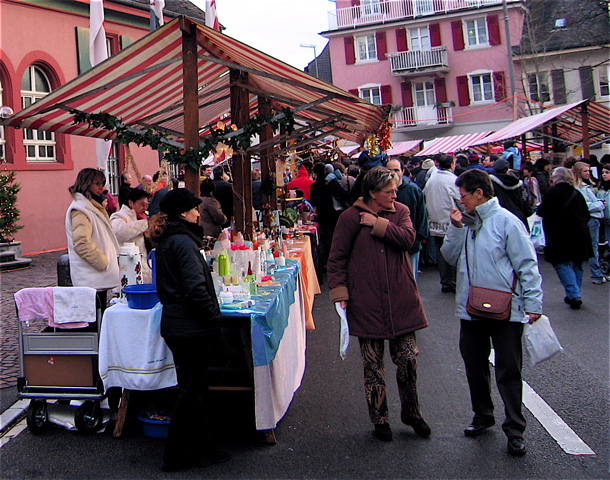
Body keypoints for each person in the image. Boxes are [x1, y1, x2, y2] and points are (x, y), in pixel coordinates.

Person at [440, 169, 542, 457]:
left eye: (463, 196)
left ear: (479, 194)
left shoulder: (507, 222)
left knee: (509, 369)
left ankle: (515, 428)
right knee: (474, 363)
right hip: (471, 307)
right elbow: (448, 256)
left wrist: (533, 303)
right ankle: (482, 415)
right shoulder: (467, 224)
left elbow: (526, 264)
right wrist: (456, 229)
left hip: (506, 307)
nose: (461, 202)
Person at [327, 167, 430, 442]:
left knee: (408, 361)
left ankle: (413, 413)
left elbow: (409, 239)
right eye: (389, 191)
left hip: (401, 299)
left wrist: (379, 225)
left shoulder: (402, 212)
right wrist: (340, 293)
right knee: (373, 366)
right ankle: (379, 418)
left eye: (395, 190)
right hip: (367, 300)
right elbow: (337, 257)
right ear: (372, 193)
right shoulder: (349, 218)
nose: (395, 195)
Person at [147, 188, 230, 472]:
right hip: (189, 325)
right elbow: (195, 287)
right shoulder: (182, 242)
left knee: (195, 389)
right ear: (183, 213)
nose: (199, 213)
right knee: (191, 390)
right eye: (195, 209)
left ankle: (203, 446)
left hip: (180, 323)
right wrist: (213, 317)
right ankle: (176, 454)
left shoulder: (173, 240)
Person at [537, 167, 593, 309]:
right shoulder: (577, 193)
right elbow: (586, 214)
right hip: (580, 233)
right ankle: (575, 292)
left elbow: (542, 211)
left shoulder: (551, 193)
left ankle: (574, 294)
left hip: (559, 234)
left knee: (560, 263)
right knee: (577, 263)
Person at [65, 168, 120, 300]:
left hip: (97, 274)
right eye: (97, 183)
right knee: (94, 314)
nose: (101, 187)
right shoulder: (80, 209)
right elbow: (81, 243)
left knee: (99, 311)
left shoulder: (91, 206)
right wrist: (102, 262)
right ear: (86, 184)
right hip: (92, 273)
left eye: (102, 183)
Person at [423, 154, 461, 293]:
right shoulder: (453, 180)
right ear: (452, 165)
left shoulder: (431, 179)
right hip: (451, 222)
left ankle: (445, 282)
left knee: (441, 253)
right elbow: (460, 200)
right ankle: (455, 282)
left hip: (434, 221)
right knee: (454, 252)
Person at [387, 158, 428, 281]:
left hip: (411, 245)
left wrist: (418, 239)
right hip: (388, 243)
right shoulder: (380, 192)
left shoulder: (413, 191)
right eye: (389, 170)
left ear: (403, 171)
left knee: (410, 281)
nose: (393, 173)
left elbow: (422, 217)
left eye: (396, 170)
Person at [572, 161, 607, 284]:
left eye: (589, 171)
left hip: (593, 218)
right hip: (591, 218)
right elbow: (585, 205)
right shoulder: (580, 188)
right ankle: (596, 274)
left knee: (593, 247)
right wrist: (600, 204)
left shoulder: (587, 186)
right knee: (593, 247)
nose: (588, 173)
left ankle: (597, 273)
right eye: (585, 171)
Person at [110, 189, 152, 283]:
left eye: (147, 204)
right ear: (131, 203)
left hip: (144, 264)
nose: (145, 208)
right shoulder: (119, 216)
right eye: (142, 204)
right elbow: (119, 233)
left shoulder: (143, 216)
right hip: (127, 265)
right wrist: (145, 224)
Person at [490, 159, 534, 230]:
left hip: (500, 220)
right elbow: (525, 201)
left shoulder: (491, 183)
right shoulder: (519, 183)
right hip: (518, 218)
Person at [597, 164, 610, 243]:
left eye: (607, 172)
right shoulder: (600, 189)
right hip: (605, 219)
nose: (604, 174)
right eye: (602, 173)